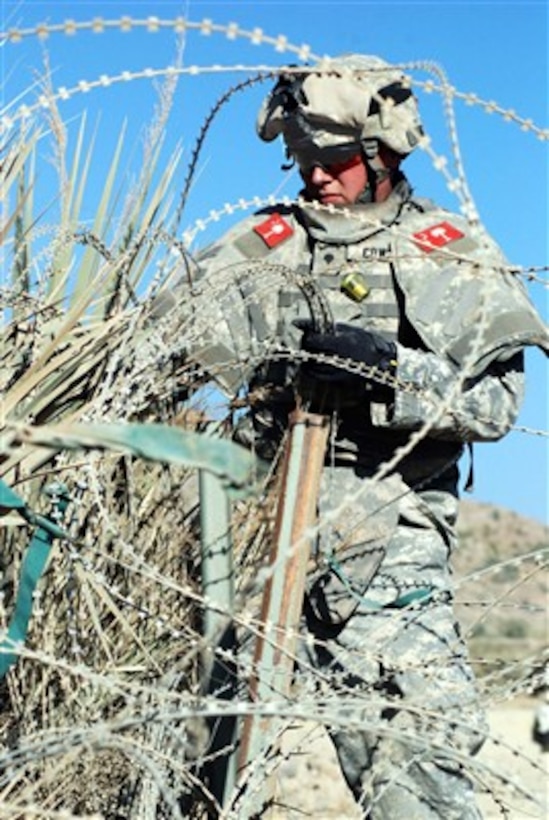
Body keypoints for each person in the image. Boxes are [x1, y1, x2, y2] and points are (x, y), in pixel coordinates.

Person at [158, 54, 548, 818]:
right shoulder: (263, 246)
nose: (314, 179)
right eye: (300, 161)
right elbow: (157, 355)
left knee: (415, 777)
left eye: (332, 162)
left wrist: (389, 372)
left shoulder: (445, 255)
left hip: (383, 557)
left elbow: (495, 404)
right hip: (247, 537)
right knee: (196, 768)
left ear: (382, 154)